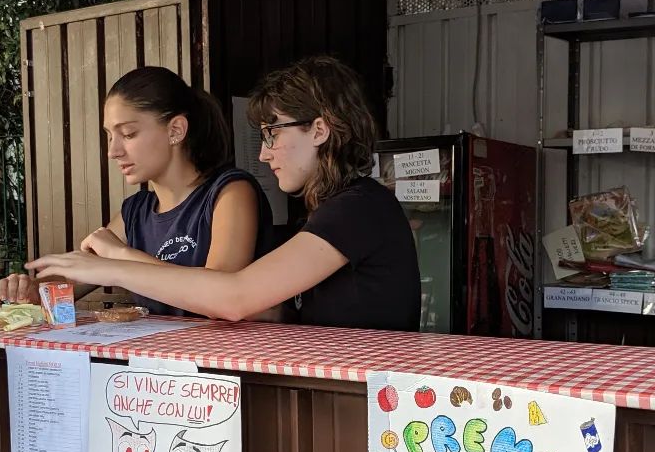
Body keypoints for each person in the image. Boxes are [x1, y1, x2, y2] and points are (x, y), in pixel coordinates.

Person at [28, 55, 420, 331]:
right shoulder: (329, 208)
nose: (264, 153)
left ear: (319, 130)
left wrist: (112, 264)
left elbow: (235, 296)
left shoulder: (358, 207)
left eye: (273, 134)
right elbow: (273, 309)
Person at [0, 65, 273, 314]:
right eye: (109, 136)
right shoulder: (135, 211)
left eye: (128, 134)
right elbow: (75, 281)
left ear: (176, 130)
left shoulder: (230, 192)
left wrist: (122, 257)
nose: (113, 151)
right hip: (154, 366)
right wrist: (29, 290)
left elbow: (223, 296)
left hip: (229, 367)